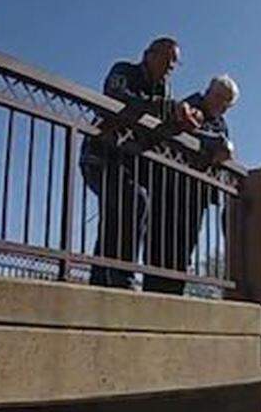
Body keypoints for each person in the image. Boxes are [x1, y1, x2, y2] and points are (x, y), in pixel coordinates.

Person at [81, 37, 202, 289]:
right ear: (148, 54)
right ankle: (123, 277)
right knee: (135, 200)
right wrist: (165, 108)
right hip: (99, 155)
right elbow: (116, 98)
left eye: (175, 64)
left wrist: (183, 122)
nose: (170, 67)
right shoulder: (123, 71)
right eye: (167, 59)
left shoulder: (164, 90)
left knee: (118, 215)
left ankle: (100, 281)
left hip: (128, 163)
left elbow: (162, 127)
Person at [142, 74, 240, 294]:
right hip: (171, 188)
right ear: (210, 92)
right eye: (221, 99)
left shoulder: (221, 123)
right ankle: (155, 295)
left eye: (227, 105)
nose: (223, 108)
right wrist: (217, 145)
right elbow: (182, 131)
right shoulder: (190, 105)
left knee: (184, 249)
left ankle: (174, 295)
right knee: (161, 244)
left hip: (197, 195)